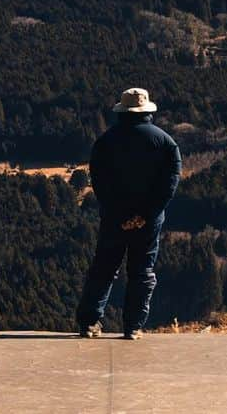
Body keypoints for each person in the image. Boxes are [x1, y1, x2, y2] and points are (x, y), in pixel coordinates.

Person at [76, 87, 182, 340]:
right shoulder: (166, 143)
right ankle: (133, 326)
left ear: (122, 111)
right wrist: (146, 213)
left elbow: (99, 181)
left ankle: (90, 322)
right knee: (142, 270)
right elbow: (170, 183)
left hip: (114, 217)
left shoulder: (106, 141)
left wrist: (119, 214)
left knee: (104, 267)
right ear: (147, 111)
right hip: (150, 219)